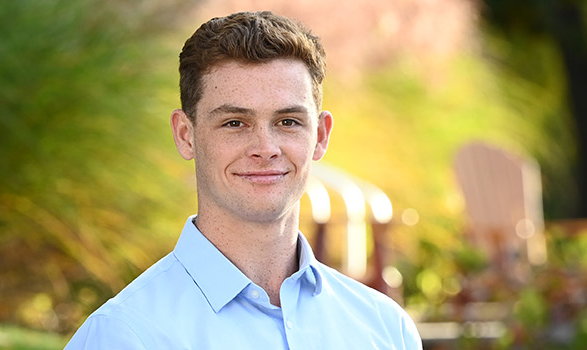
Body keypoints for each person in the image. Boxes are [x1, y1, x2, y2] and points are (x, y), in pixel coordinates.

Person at [65, 11, 422, 349]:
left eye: (288, 122)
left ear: (320, 135)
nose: (265, 148)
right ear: (185, 135)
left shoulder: (386, 329)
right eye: (235, 123)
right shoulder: (126, 335)